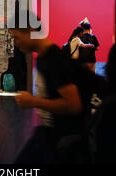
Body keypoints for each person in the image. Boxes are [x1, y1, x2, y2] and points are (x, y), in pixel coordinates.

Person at [8, 10, 86, 164]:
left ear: (30, 30)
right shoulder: (45, 58)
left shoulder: (54, 59)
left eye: (16, 37)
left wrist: (33, 102)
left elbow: (73, 105)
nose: (15, 43)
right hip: (49, 135)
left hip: (60, 138)